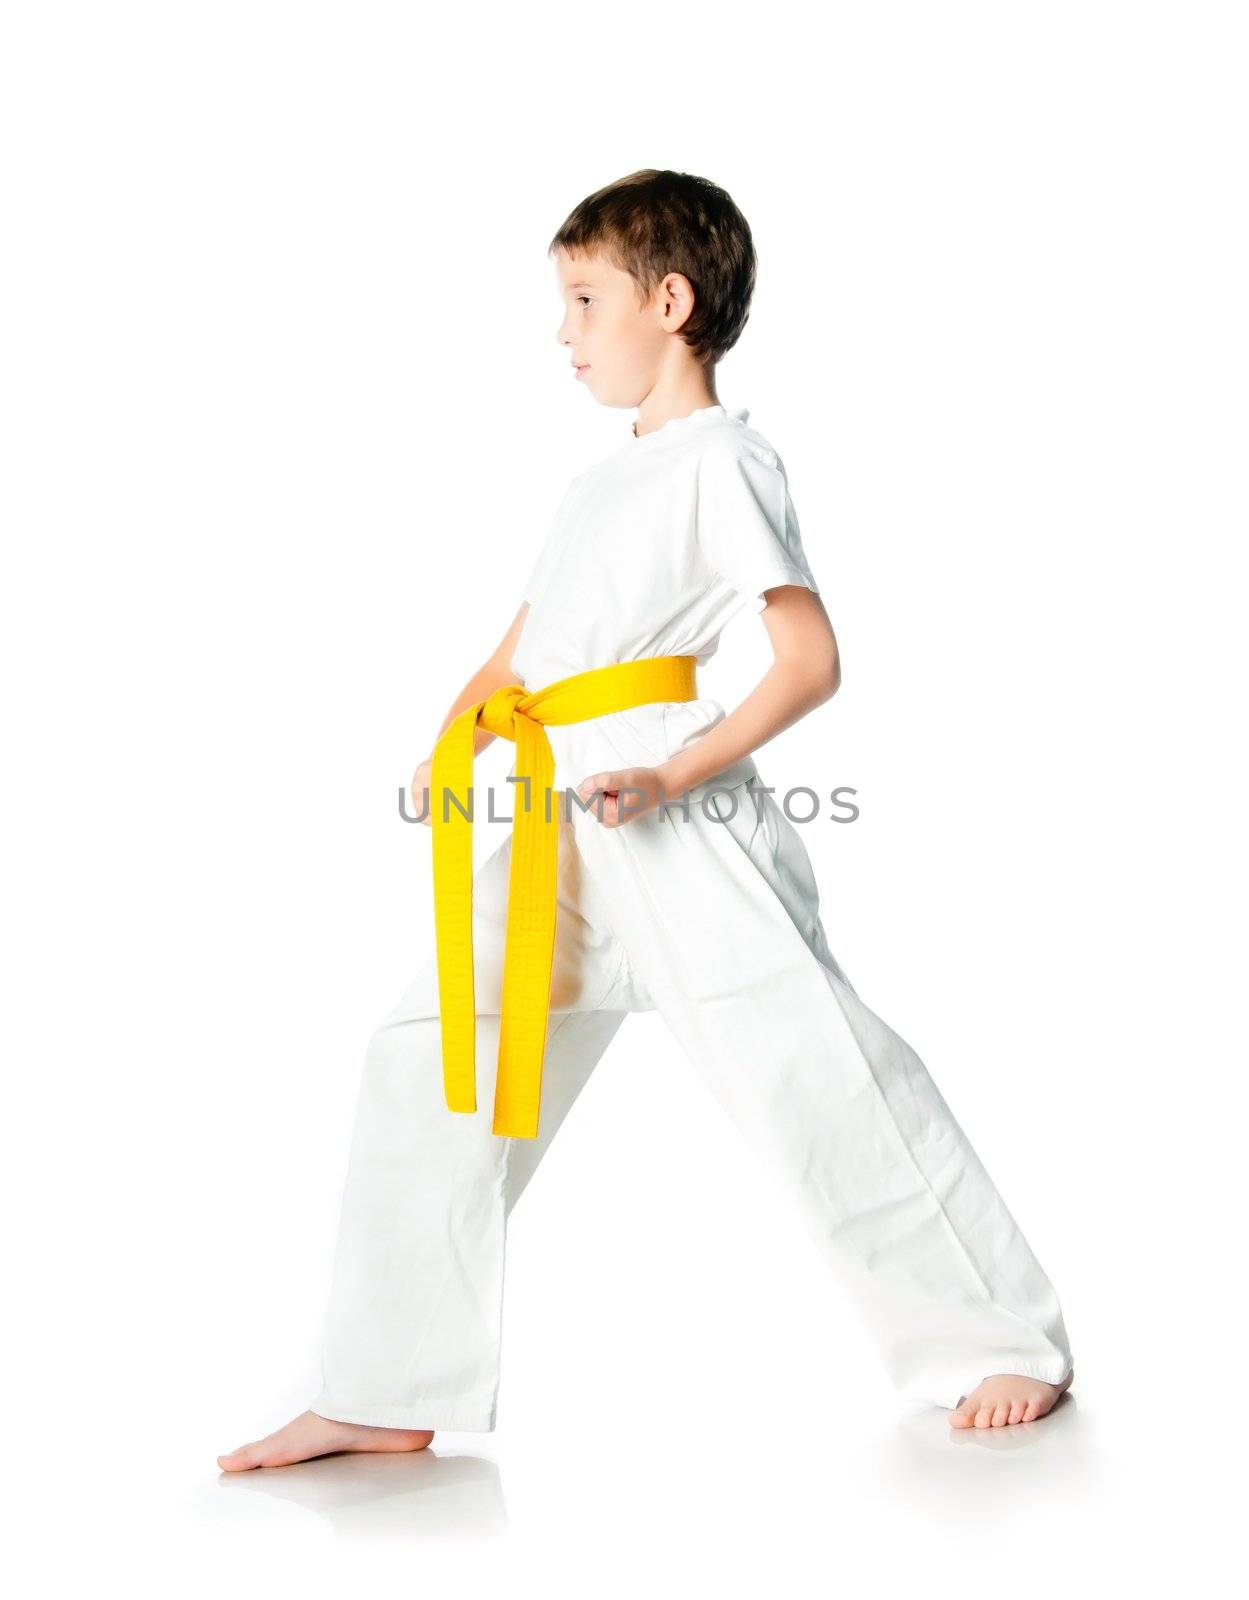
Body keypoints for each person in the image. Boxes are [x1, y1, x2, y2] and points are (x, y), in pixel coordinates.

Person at [218, 168, 1073, 1472]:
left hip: (670, 813)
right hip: (562, 816)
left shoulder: (724, 462)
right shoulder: (595, 486)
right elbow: (525, 651)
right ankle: (384, 1381)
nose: (561, 332)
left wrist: (673, 781)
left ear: (668, 302)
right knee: (425, 1057)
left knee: (806, 1067)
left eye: (582, 300)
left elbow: (806, 660)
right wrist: (453, 743)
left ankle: (996, 1337)